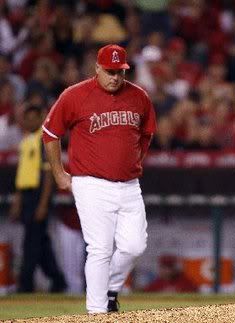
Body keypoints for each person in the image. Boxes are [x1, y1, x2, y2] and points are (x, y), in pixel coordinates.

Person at [42, 44, 156, 313]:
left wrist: (135, 159)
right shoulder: (75, 95)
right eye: (109, 71)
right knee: (100, 248)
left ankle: (110, 290)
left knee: (134, 246)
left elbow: (147, 132)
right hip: (91, 183)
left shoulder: (139, 97)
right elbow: (50, 133)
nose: (115, 77)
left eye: (120, 71)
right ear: (97, 68)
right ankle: (96, 312)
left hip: (129, 184)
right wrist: (59, 173)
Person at [9, 105, 67, 293]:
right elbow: (22, 174)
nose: (30, 121)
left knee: (31, 243)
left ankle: (25, 285)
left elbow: (48, 175)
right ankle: (58, 281)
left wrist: (43, 204)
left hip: (38, 195)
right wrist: (18, 201)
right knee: (40, 243)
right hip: (27, 195)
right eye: (28, 118)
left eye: (34, 118)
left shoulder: (43, 140)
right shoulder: (26, 142)